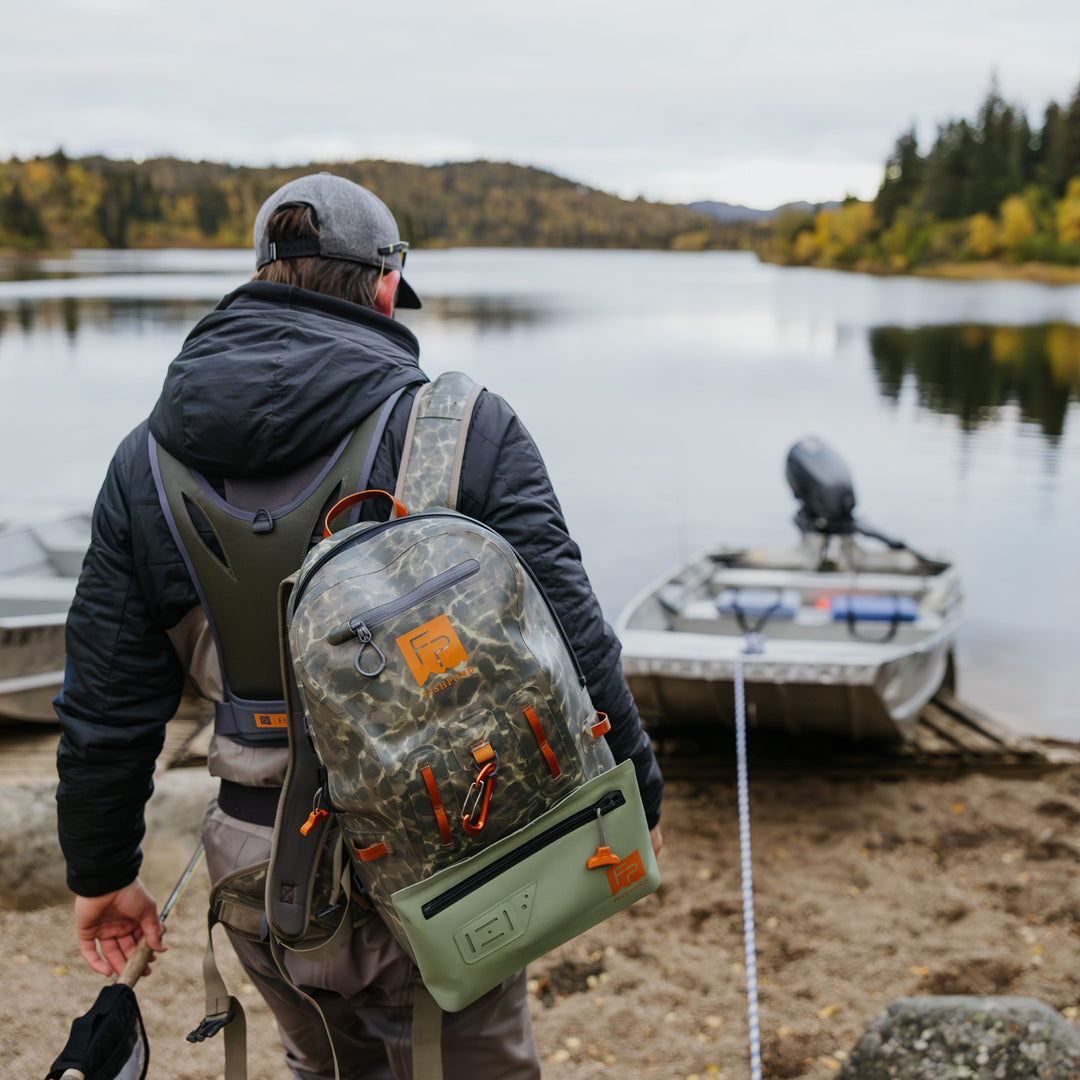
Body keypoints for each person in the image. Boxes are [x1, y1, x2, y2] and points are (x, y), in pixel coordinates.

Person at [55, 173, 664, 1080]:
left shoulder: (143, 461)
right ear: (385, 288)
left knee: (326, 1072)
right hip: (457, 857)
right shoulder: (466, 430)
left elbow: (105, 706)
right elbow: (574, 642)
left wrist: (101, 874)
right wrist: (636, 798)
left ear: (262, 276)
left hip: (263, 877)